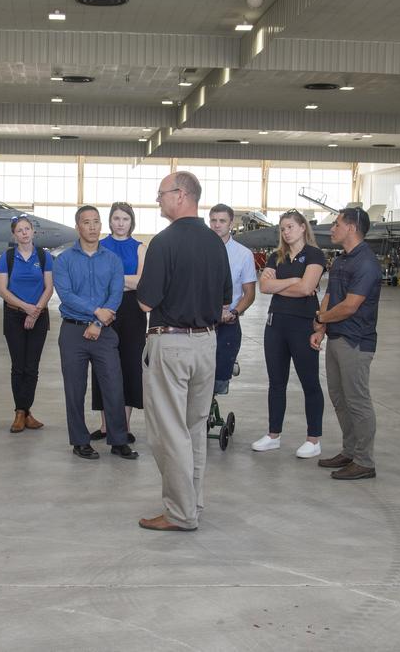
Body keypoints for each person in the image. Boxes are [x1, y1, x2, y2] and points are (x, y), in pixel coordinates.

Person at [136, 171, 231, 532]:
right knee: (193, 428)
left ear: (180, 195)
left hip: (170, 343)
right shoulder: (215, 243)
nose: (158, 200)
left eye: (161, 194)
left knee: (169, 432)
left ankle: (179, 513)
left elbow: (146, 302)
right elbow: (225, 298)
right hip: (206, 343)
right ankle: (192, 502)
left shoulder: (163, 242)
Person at [52, 206, 137, 461]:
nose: (92, 227)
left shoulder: (112, 260)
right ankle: (80, 442)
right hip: (72, 332)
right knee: (75, 389)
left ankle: (119, 440)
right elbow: (66, 295)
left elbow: (115, 293)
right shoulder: (64, 260)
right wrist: (96, 312)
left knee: (113, 386)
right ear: (78, 226)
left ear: (102, 226)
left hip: (105, 332)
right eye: (86, 222)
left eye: (96, 222)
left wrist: (99, 322)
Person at [311, 207, 383, 481]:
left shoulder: (366, 262)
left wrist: (321, 317)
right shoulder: (342, 259)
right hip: (337, 336)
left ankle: (364, 461)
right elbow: (331, 293)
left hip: (356, 340)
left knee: (357, 401)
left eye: (337, 224)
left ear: (352, 228)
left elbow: (351, 306)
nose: (332, 229)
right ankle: (350, 450)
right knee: (340, 398)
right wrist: (321, 325)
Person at [252, 211, 327, 459]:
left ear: (303, 228)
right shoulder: (276, 256)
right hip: (276, 325)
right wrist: (293, 280)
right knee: (276, 382)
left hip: (302, 325)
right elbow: (264, 287)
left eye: (291, 227)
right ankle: (274, 435)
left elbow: (307, 288)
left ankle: (313, 439)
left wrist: (282, 285)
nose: (286, 232)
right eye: (283, 228)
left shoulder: (315, 255)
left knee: (309, 382)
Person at [91, 202, 147, 442]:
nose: (120, 223)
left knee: (129, 366)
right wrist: (125, 281)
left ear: (131, 221)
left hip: (133, 312)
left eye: (125, 218)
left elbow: (142, 282)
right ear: (110, 221)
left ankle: (122, 426)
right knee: (103, 366)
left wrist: (115, 279)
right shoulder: (100, 246)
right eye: (116, 218)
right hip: (105, 311)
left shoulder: (140, 248)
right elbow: (95, 281)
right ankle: (105, 426)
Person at [0, 214, 53, 432]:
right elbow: (2, 290)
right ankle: (21, 413)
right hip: (14, 316)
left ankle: (24, 411)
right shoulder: (8, 257)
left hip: (39, 316)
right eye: (19, 230)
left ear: (33, 231)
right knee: (18, 366)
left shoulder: (43, 256)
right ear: (14, 234)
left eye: (27, 229)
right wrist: (25, 308)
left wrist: (35, 310)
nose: (24, 233)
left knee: (32, 367)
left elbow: (49, 287)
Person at [208, 204, 257, 395]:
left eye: (222, 221)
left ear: (230, 224)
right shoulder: (198, 249)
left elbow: (249, 293)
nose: (217, 225)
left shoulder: (243, 254)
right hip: (201, 321)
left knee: (219, 378)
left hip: (228, 321)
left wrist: (234, 312)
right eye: (213, 220)